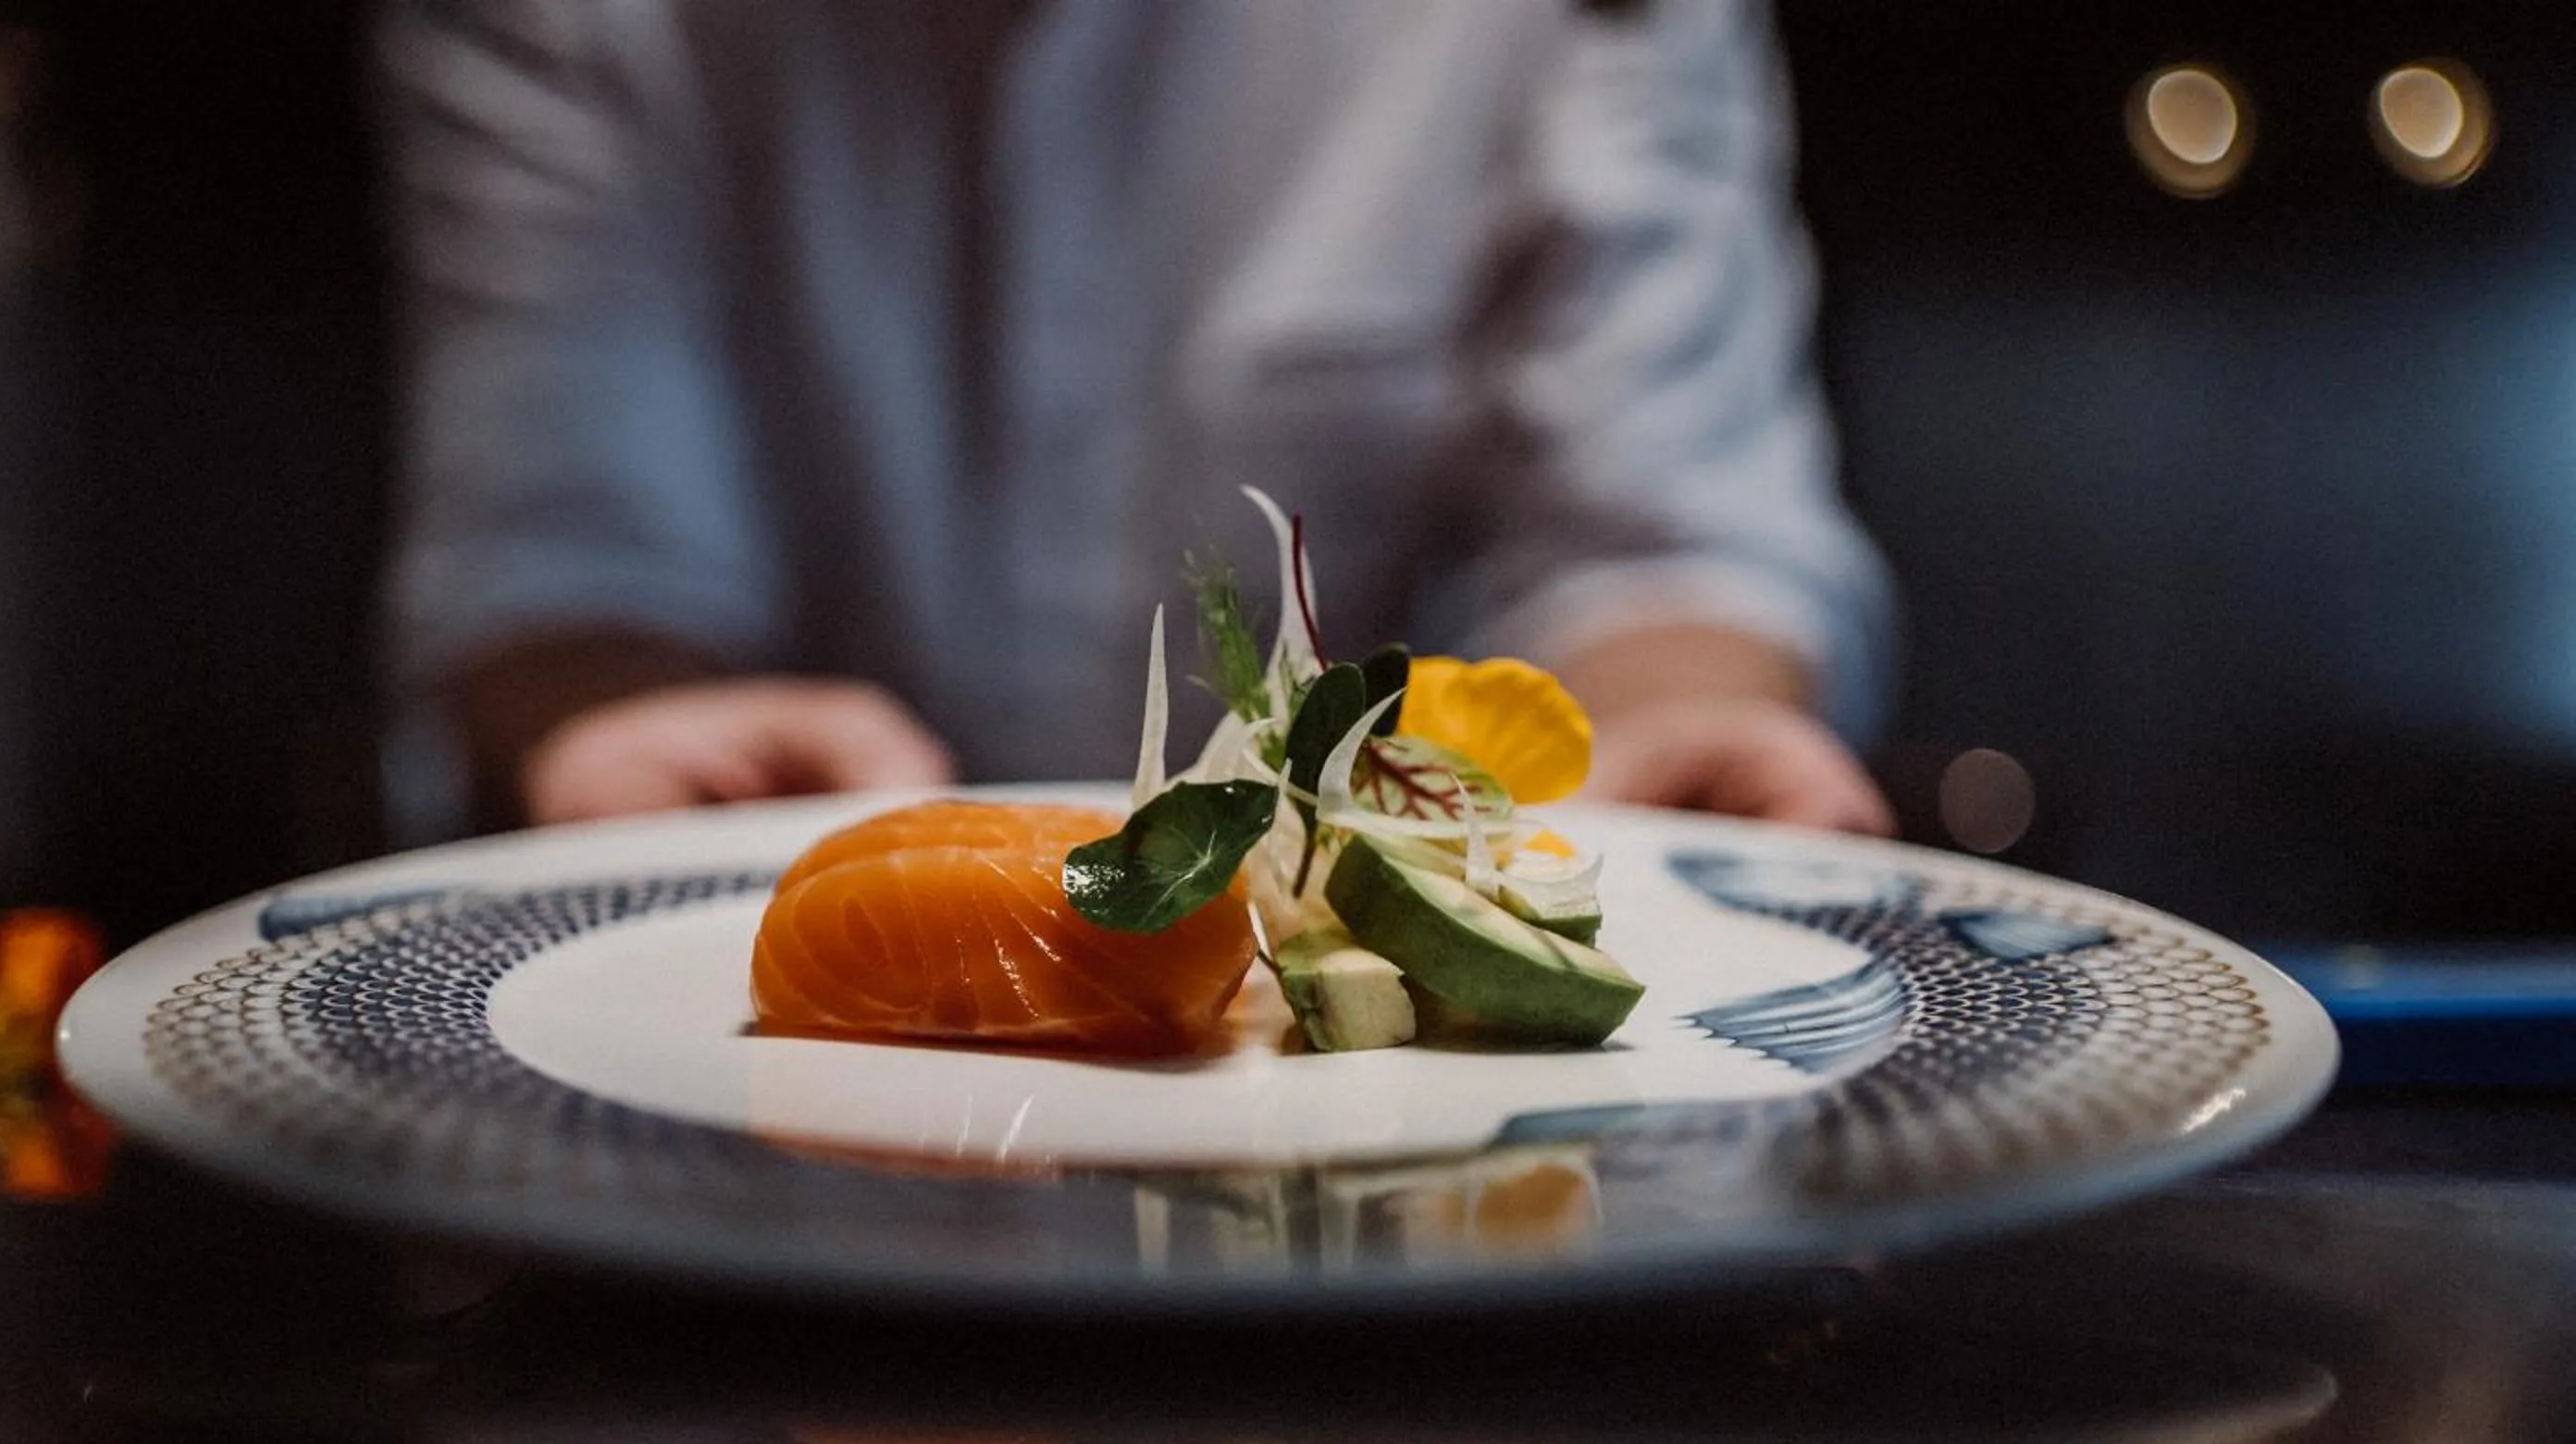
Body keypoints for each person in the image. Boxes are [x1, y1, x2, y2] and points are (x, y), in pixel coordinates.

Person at [380, 0, 1893, 840]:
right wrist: (624, 723)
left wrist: (1657, 751)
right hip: (749, 1140)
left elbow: (1662, 542)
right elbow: (568, 543)